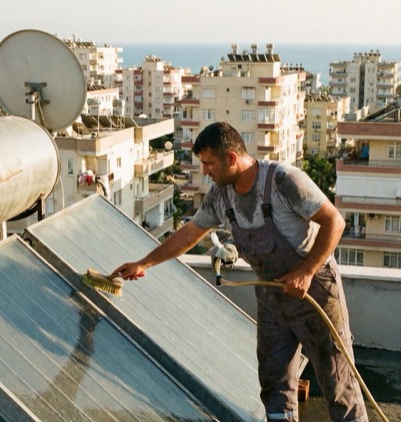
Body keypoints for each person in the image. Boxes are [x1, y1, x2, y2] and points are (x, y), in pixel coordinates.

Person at [112, 122, 368, 422]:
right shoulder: (220, 197)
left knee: (338, 385)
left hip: (316, 295)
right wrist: (144, 263)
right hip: (272, 300)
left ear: (231, 158)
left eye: (209, 164)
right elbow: (188, 234)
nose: (205, 172)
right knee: (274, 386)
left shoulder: (284, 181)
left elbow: (334, 222)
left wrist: (306, 271)